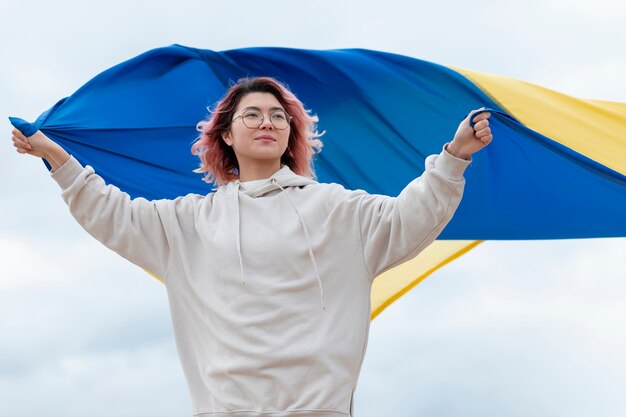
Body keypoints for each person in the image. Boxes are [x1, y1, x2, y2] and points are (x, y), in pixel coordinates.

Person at [11, 76, 492, 417]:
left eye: (279, 116)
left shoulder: (339, 210)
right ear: (226, 133)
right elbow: (110, 212)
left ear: (290, 134)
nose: (268, 122)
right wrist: (55, 155)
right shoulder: (189, 223)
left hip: (318, 409)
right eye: (253, 115)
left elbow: (412, 218)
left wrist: (453, 158)